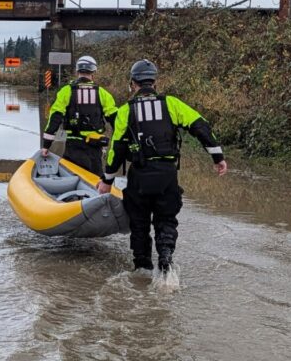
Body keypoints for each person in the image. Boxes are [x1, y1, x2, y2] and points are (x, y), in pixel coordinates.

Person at [97, 59, 228, 273]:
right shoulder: (172, 104)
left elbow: (117, 149)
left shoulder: (125, 110)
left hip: (139, 175)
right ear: (154, 82)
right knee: (166, 219)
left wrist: (107, 180)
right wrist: (217, 157)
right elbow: (201, 127)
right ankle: (165, 257)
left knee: (139, 225)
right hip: (167, 175)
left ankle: (142, 268)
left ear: (133, 83)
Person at [41, 55, 117, 176]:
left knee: (70, 179)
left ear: (77, 71)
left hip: (73, 147)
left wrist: (46, 146)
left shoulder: (66, 91)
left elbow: (55, 118)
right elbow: (117, 122)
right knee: (96, 181)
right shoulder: (103, 93)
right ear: (94, 72)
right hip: (95, 148)